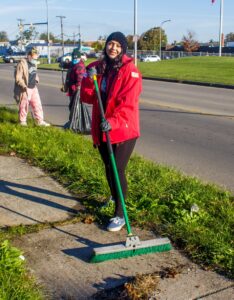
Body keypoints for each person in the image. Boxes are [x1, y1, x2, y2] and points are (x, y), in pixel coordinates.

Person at [81, 32, 142, 232]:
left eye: (117, 45)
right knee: (108, 167)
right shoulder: (99, 68)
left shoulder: (130, 71)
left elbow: (128, 105)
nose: (113, 48)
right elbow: (88, 98)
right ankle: (115, 197)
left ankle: (120, 214)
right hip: (103, 128)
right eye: (110, 44)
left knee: (117, 169)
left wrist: (113, 122)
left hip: (123, 129)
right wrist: (89, 80)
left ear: (123, 48)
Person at [14, 47, 50, 126]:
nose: (36, 58)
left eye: (36, 56)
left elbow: (34, 73)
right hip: (25, 88)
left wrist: (36, 78)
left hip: (34, 88)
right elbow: (18, 77)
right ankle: (22, 121)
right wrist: (23, 86)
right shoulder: (22, 64)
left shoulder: (34, 63)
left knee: (37, 105)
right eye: (34, 56)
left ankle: (39, 121)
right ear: (29, 56)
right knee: (24, 105)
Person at [63, 48, 87, 130]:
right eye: (74, 58)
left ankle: (74, 124)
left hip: (76, 90)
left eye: (76, 58)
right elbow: (66, 67)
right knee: (73, 107)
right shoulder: (73, 65)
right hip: (72, 89)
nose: (75, 59)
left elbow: (80, 78)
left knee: (75, 107)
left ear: (80, 58)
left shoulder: (80, 66)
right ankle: (73, 122)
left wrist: (78, 89)